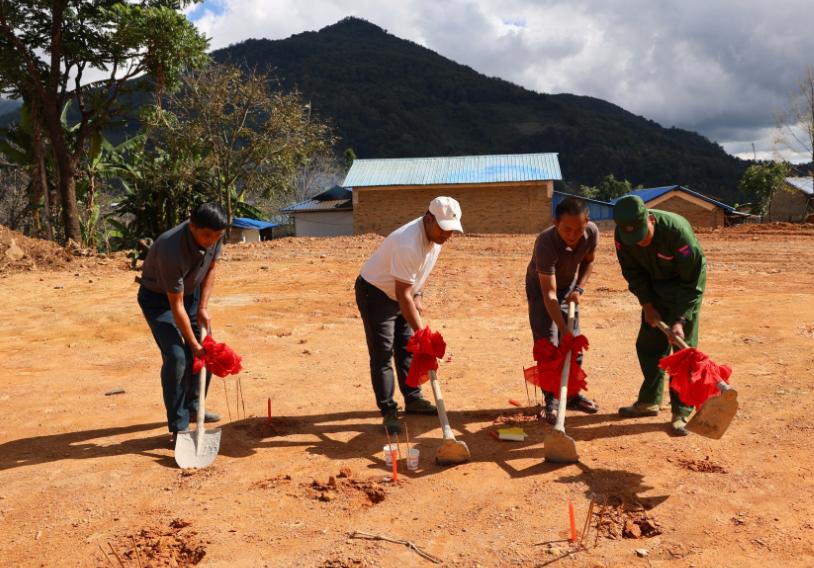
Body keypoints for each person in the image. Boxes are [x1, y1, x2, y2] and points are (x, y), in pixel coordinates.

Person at [355, 196, 463, 434]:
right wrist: (422, 332)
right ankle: (389, 411)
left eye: (452, 230)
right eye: (444, 229)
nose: (448, 235)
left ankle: (413, 399)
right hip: (376, 293)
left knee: (406, 347)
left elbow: (417, 277)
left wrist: (419, 295)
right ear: (428, 219)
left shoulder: (435, 239)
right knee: (382, 353)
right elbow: (402, 293)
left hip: (402, 293)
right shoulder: (408, 243)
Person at [613, 195, 707, 436]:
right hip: (653, 289)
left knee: (682, 351)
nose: (639, 243)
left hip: (682, 289)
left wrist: (680, 319)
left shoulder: (677, 234)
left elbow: (692, 280)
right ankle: (650, 401)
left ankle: (682, 411)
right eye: (633, 239)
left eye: (643, 236)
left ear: (650, 219)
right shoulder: (623, 238)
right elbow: (633, 272)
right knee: (649, 345)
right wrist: (647, 305)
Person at [137, 202, 226, 443]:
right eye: (207, 235)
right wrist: (192, 345)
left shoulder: (216, 234)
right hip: (158, 300)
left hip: (191, 294)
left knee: (207, 351)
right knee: (178, 357)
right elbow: (175, 307)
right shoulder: (170, 248)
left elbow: (211, 269)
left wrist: (203, 307)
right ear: (192, 225)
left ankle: (196, 406)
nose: (212, 240)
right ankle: (179, 426)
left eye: (217, 236)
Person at [525, 196, 599, 424]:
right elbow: (549, 295)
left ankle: (573, 394)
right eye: (567, 229)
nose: (573, 235)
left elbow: (589, 260)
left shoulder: (591, 232)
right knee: (549, 343)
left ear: (587, 222)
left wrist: (579, 288)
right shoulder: (545, 243)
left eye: (579, 229)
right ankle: (552, 402)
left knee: (574, 344)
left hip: (568, 287)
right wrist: (562, 329)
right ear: (556, 222)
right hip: (541, 290)